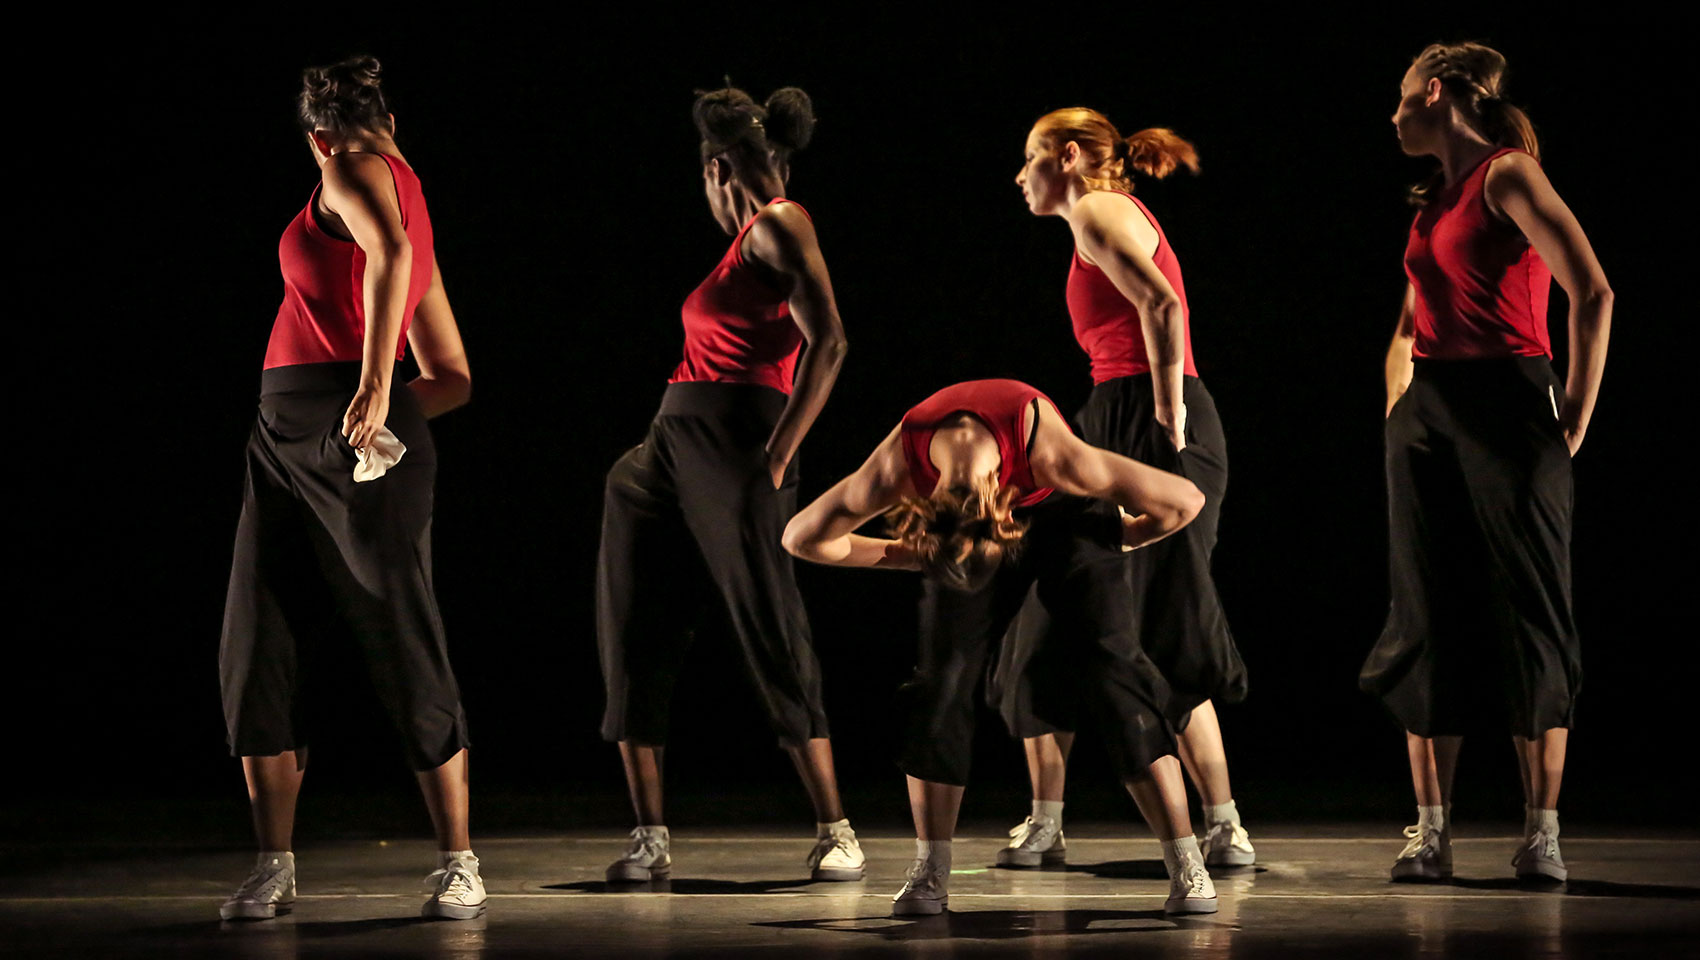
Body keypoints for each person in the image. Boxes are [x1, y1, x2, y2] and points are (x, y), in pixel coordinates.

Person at [784, 378, 1220, 916]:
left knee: (1116, 671)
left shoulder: (1061, 459)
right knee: (939, 684)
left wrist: (1121, 537)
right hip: (957, 528)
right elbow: (802, 538)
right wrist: (908, 554)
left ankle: (1185, 864)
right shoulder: (899, 467)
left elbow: (1185, 501)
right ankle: (930, 870)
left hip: (1067, 516)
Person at [217, 56, 482, 921]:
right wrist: (396, 401)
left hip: (336, 421)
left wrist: (371, 390)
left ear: (318, 135)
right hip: (285, 440)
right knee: (258, 639)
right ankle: (274, 864)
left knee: (402, 633)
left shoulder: (350, 168)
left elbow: (392, 254)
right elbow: (453, 375)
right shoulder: (403, 196)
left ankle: (459, 859)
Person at [1360, 42, 1612, 884]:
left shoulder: (1509, 175)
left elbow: (1593, 290)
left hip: (1509, 403)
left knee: (1529, 612)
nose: (1393, 115)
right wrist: (1401, 402)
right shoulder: (1432, 198)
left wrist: (1571, 413)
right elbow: (1405, 322)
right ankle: (1430, 831)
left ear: (1435, 93)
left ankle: (1541, 833)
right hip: (1431, 411)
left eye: (1401, 99)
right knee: (1425, 613)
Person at [595, 84, 861, 885]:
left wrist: (779, 457)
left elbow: (832, 341)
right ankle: (649, 835)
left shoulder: (780, 223)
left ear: (716, 169)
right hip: (670, 443)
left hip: (735, 438)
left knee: (766, 617)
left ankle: (835, 827)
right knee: (633, 624)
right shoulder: (747, 238)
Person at [996, 108, 1253, 870]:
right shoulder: (1101, 213)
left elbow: (1163, 306)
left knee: (1167, 624)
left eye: (1029, 157)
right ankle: (1048, 820)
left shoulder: (1098, 208)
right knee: (1049, 625)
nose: (1020, 176)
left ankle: (1223, 824)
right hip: (1113, 421)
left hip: (1148, 423)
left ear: (1067, 157)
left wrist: (1167, 416)